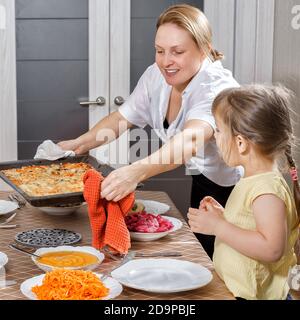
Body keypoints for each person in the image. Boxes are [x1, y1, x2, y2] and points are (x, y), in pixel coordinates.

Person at [58, 4, 242, 258]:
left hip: (237, 190)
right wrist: (80, 143)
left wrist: (134, 172)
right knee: (203, 255)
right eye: (159, 50)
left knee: (229, 266)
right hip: (203, 177)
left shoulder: (215, 89)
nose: (166, 62)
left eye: (177, 52)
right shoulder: (156, 75)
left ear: (204, 49)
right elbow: (123, 118)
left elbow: (188, 141)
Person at [187, 84, 300, 300]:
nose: (214, 137)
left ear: (240, 143)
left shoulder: (266, 191)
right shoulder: (254, 180)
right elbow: (253, 227)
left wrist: (218, 226)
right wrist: (224, 217)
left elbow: (271, 248)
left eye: (218, 130)